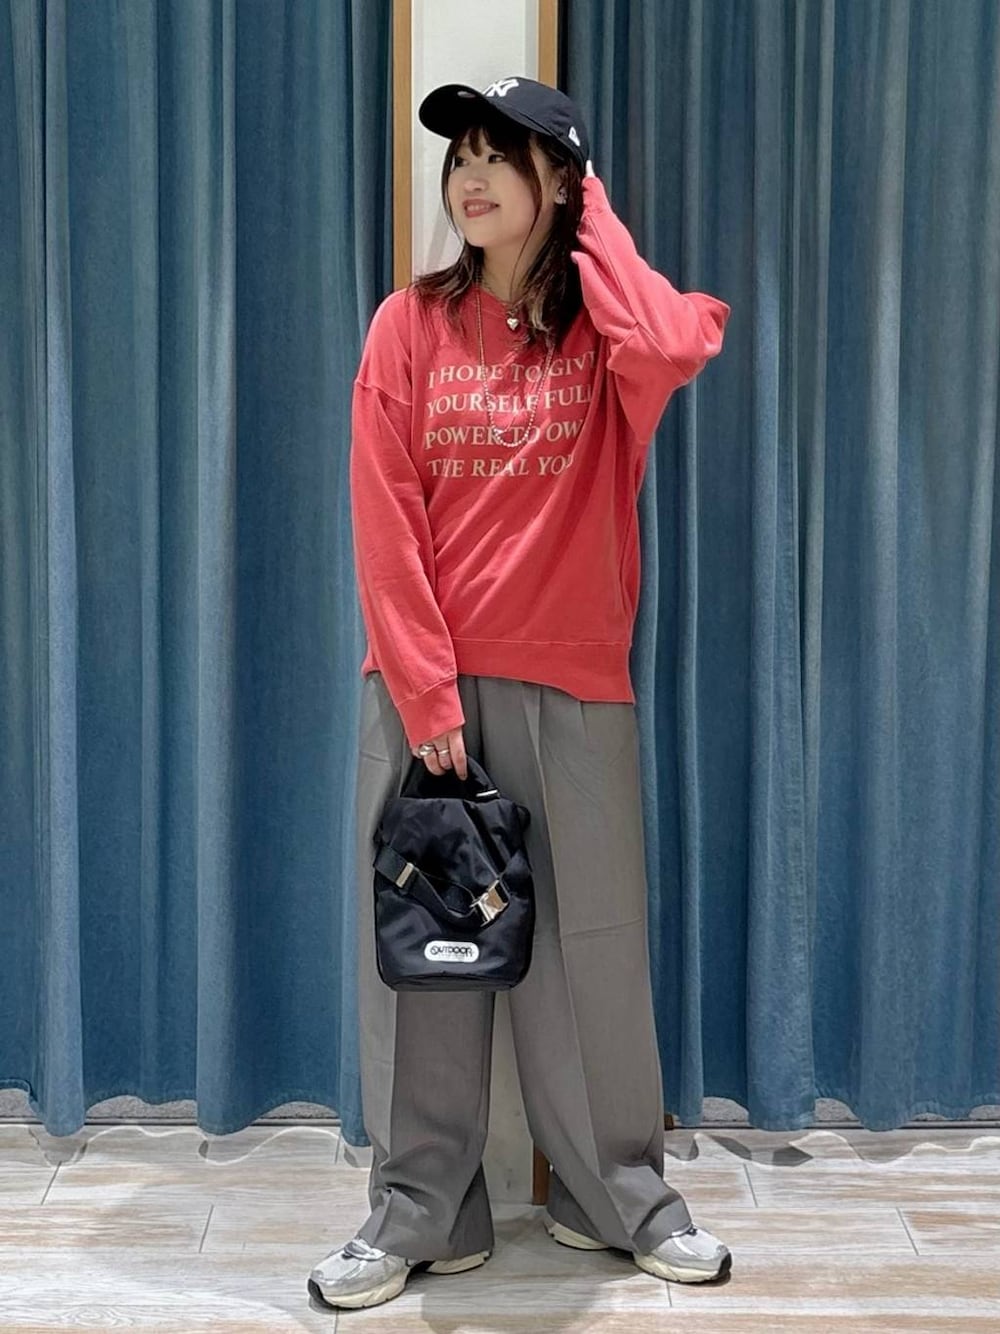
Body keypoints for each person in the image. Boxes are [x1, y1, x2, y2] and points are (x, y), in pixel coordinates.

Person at [308, 76, 733, 1312]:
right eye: (460, 159)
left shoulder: (608, 337)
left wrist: (591, 211)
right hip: (423, 693)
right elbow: (383, 514)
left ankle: (619, 1198)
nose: (472, 177)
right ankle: (419, 1211)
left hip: (574, 687)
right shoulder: (408, 325)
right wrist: (426, 690)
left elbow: (676, 340)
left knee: (591, 958)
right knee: (423, 963)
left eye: (503, 156)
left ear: (558, 180)